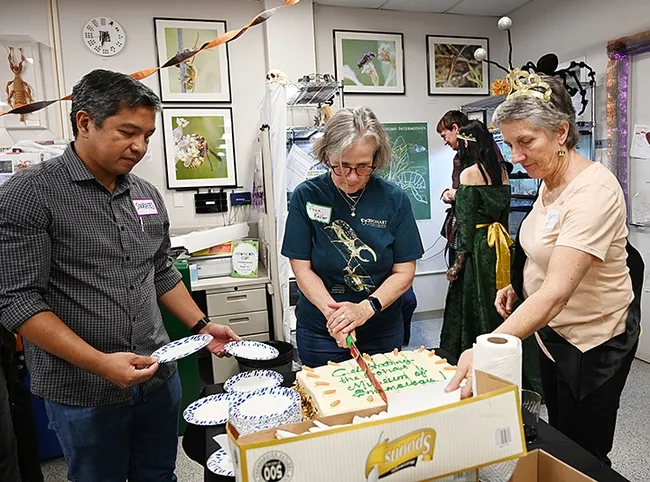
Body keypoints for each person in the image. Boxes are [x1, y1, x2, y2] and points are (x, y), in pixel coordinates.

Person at [0, 69, 240, 481]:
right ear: (84, 122)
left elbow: (160, 269)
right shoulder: (30, 195)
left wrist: (202, 325)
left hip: (156, 378)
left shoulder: (145, 195)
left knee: (159, 474)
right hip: (83, 390)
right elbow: (18, 301)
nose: (140, 147)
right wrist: (100, 363)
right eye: (128, 132)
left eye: (147, 135)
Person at [447, 72, 640, 466]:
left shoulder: (593, 191)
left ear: (561, 132)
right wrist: (518, 286)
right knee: (558, 435)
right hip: (551, 337)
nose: (516, 156)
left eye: (525, 142)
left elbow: (556, 293)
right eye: (509, 143)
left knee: (584, 450)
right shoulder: (548, 178)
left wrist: (485, 348)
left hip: (591, 343)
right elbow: (539, 247)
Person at [281, 106, 424, 367]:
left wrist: (364, 309)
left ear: (376, 159)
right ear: (326, 156)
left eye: (363, 167)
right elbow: (301, 268)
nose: (352, 177)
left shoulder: (394, 199)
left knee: (381, 398)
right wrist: (335, 316)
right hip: (322, 329)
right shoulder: (307, 196)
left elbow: (404, 271)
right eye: (342, 166)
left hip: (379, 326)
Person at [439, 120, 511, 359]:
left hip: (478, 246)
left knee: (472, 300)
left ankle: (470, 353)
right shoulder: (502, 174)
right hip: (499, 244)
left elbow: (466, 225)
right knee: (498, 297)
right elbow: (504, 217)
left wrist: (458, 262)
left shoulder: (470, 175)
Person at [436, 110, 468, 266]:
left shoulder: (481, 156)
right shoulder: (459, 156)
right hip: (458, 227)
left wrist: (456, 195)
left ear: (455, 128)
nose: (445, 141)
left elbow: (483, 195)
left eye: (444, 136)